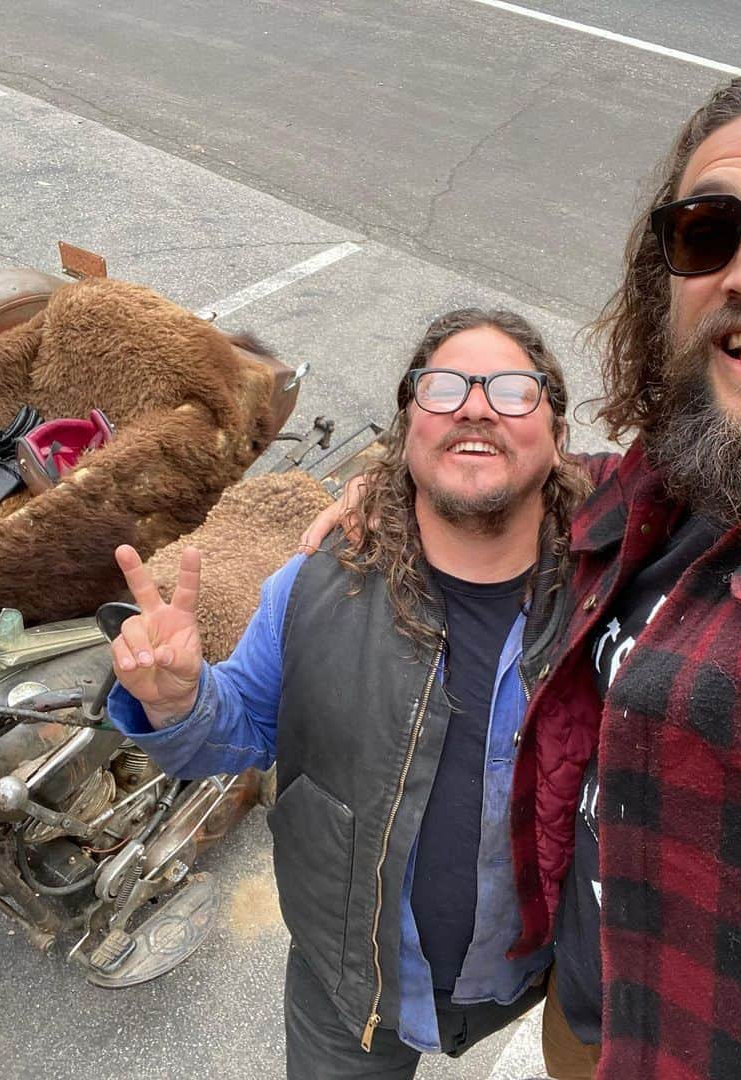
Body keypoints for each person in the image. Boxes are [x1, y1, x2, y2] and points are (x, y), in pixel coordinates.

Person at [304, 43, 741, 1080]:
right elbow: (570, 469)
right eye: (706, 233)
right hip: (596, 1025)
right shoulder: (672, 481)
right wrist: (411, 478)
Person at [104, 308, 591, 1078]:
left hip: (550, 975)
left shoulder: (616, 593)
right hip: (350, 990)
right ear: (407, 429)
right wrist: (176, 700)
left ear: (558, 436)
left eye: (511, 390)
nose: (473, 405)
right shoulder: (314, 585)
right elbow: (228, 737)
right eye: (442, 388)